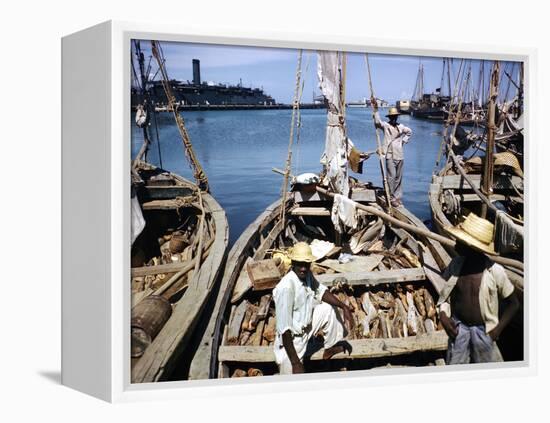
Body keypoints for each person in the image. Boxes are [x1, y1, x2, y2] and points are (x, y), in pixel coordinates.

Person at [437, 213, 519, 364]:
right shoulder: (456, 265)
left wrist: (496, 330)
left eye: (460, 242)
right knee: (456, 368)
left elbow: (514, 304)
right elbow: (446, 296)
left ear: (471, 247)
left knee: (486, 370)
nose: (455, 244)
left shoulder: (495, 272)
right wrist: (443, 315)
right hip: (458, 329)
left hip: (485, 331)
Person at [273, 242, 354, 374]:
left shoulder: (306, 274)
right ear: (293, 262)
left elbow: (320, 291)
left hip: (306, 326)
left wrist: (343, 306)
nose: (304, 268)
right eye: (300, 264)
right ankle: (292, 361)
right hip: (293, 340)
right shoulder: (286, 288)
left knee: (329, 309)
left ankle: (330, 348)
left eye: (306, 264)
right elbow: (285, 330)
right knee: (291, 383)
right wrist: (296, 363)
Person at [371, 98, 412, 207]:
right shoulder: (386, 126)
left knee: (398, 177)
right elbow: (377, 122)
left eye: (395, 117)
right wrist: (375, 111)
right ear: (390, 118)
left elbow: (409, 132)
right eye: (392, 117)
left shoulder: (401, 127)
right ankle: (391, 197)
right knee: (391, 177)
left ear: (397, 117)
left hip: (400, 155)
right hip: (389, 155)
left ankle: (397, 197)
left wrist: (403, 141)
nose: (394, 119)